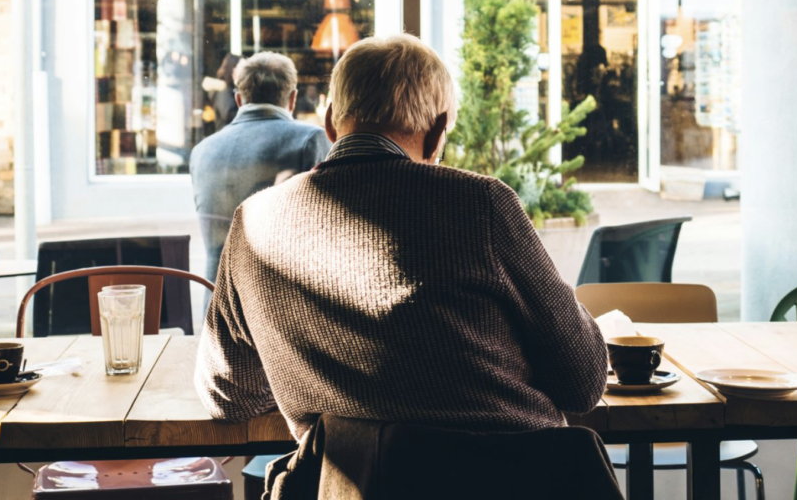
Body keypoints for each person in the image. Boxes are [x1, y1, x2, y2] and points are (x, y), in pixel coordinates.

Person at [195, 35, 608, 440]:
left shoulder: (253, 222)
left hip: (349, 486)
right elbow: (583, 381)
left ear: (330, 123)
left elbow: (227, 396)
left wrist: (311, 371)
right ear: (437, 132)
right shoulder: (481, 204)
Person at [190, 52, 330, 285]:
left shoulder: (202, 150)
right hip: (279, 306)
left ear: (238, 100)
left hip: (216, 306)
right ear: (293, 99)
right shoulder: (309, 140)